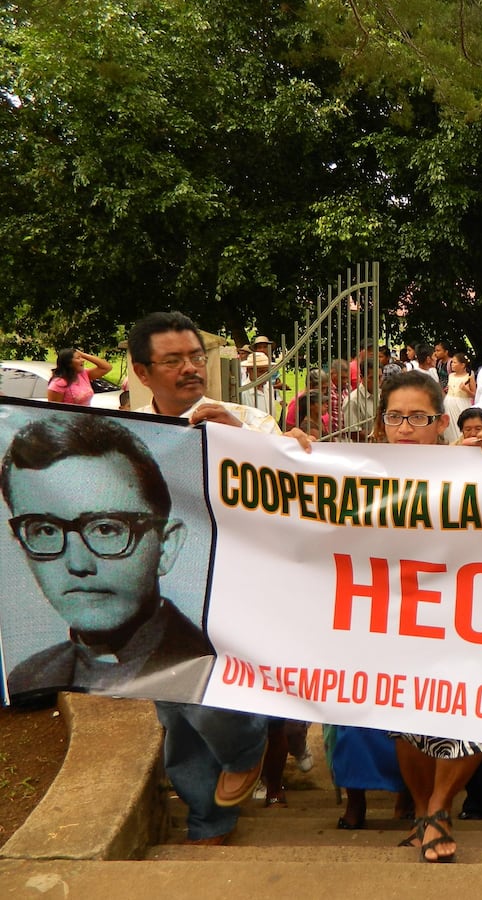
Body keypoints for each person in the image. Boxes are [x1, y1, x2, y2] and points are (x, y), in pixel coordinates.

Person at [127, 310, 310, 846]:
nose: (190, 369)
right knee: (178, 712)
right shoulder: (128, 435)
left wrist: (257, 450)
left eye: (196, 357)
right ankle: (209, 821)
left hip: (235, 589)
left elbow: (292, 503)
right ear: (142, 373)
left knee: (208, 698)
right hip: (162, 589)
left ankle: (243, 750)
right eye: (173, 360)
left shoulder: (248, 422)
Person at [373, 370, 482, 862]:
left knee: (472, 714)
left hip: (470, 615)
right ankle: (422, 812)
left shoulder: (475, 463)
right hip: (397, 615)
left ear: (441, 420)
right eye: (395, 417)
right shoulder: (355, 470)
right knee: (405, 721)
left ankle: (438, 808)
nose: (405, 427)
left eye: (417, 417)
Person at [1, 413, 213, 703]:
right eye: (45, 529)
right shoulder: (31, 678)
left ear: (166, 545)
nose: (78, 565)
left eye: (105, 528)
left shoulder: (217, 670)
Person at [46, 348, 113, 406]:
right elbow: (54, 411)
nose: (82, 360)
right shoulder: (58, 384)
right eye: (78, 358)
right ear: (68, 363)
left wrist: (83, 354)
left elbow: (107, 367)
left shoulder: (83, 374)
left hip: (85, 419)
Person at [443, 353, 476, 443]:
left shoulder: (469, 377)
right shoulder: (451, 376)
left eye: (455, 362)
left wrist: (466, 390)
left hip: (462, 404)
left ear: (462, 365)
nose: (452, 365)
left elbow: (474, 394)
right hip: (449, 403)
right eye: (452, 362)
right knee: (449, 428)